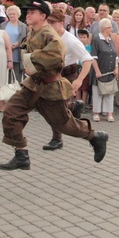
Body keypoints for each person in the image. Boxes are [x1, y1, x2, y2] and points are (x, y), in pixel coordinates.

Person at [0, 0, 109, 170]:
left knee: (63, 125)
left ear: (43, 16)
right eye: (27, 13)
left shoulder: (50, 34)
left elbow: (57, 55)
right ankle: (21, 154)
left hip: (49, 88)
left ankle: (95, 137)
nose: (28, 15)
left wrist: (32, 60)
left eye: (32, 13)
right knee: (11, 112)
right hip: (33, 85)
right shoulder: (34, 32)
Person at [42, 9, 91, 150]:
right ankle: (73, 106)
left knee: (56, 108)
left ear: (61, 23)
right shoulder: (47, 36)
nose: (49, 25)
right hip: (53, 74)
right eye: (48, 22)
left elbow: (87, 60)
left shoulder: (71, 40)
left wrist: (80, 80)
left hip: (68, 75)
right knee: (50, 105)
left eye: (52, 22)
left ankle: (57, 139)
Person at [90, 18, 118, 122]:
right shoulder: (96, 39)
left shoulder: (111, 40)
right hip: (100, 70)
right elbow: (93, 57)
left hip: (110, 71)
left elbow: (115, 56)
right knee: (97, 92)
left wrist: (116, 68)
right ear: (104, 28)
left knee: (110, 92)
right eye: (110, 27)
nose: (112, 29)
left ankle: (109, 113)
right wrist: (97, 71)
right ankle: (96, 113)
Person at [0, 5, 28, 83]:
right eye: (10, 14)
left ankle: (16, 93)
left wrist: (16, 44)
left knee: (16, 77)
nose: (12, 15)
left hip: (17, 53)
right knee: (4, 77)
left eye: (14, 14)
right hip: (4, 52)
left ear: (18, 15)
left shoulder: (23, 26)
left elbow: (24, 39)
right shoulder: (3, 25)